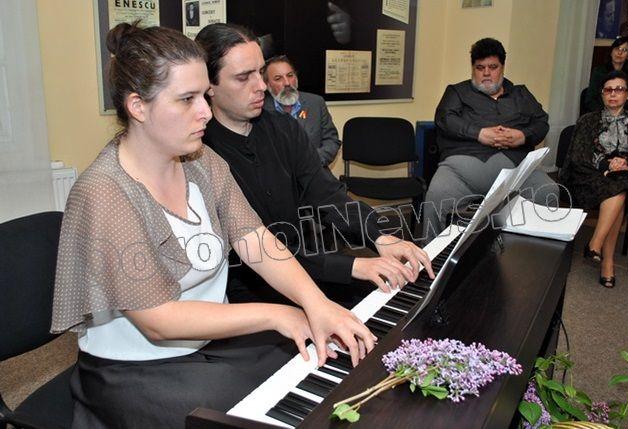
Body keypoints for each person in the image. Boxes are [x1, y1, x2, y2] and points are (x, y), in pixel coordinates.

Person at [50, 23, 376, 428]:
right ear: (138, 106)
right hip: (132, 371)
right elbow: (160, 321)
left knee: (322, 371)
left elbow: (255, 240)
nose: (205, 112)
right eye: (186, 99)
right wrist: (279, 314)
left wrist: (315, 303)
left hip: (209, 347)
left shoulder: (202, 162)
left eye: (204, 96)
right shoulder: (103, 192)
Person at [194, 23, 433, 308]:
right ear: (209, 86)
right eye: (244, 77)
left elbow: (325, 193)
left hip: (312, 265)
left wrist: (379, 236)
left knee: (396, 300)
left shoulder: (285, 129)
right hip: (248, 289)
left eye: (260, 72)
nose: (261, 86)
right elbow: (248, 252)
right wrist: (350, 265)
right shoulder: (198, 151)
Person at [424, 37, 558, 240]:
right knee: (435, 198)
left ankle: (533, 255)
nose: (486, 73)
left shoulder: (520, 94)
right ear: (473, 69)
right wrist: (479, 134)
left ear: (502, 67)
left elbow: (541, 122)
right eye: (480, 68)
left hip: (517, 171)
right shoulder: (457, 92)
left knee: (548, 190)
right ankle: (431, 257)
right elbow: (445, 119)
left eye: (493, 67)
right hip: (460, 173)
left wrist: (523, 136)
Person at [561, 71, 628, 288]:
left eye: (619, 89)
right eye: (608, 90)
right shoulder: (588, 120)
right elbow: (578, 156)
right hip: (590, 175)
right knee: (619, 189)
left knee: (621, 183)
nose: (613, 94)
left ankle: (596, 244)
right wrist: (606, 165)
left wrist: (626, 162)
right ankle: (607, 261)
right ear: (602, 94)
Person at [263, 54, 341, 167]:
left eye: (290, 75)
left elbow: (332, 140)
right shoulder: (261, 109)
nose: (287, 83)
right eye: (278, 78)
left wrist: (312, 161)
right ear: (267, 84)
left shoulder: (316, 103)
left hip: (315, 170)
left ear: (296, 78)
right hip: (277, 174)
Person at [585, 37, 628, 113]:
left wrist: (617, 112)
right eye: (617, 48)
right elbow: (590, 99)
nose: (619, 53)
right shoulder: (599, 71)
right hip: (601, 113)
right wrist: (606, 113)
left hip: (626, 114)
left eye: (624, 50)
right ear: (611, 52)